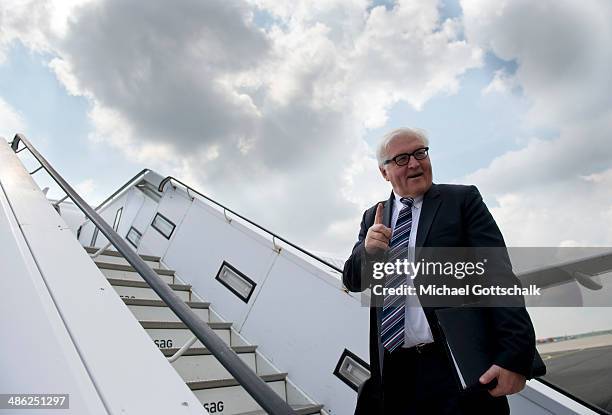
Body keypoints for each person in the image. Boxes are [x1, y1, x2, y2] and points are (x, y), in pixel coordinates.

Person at [342, 128, 536, 415]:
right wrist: (367, 252)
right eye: (402, 158)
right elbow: (353, 281)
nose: (415, 163)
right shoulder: (373, 216)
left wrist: (515, 357)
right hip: (396, 375)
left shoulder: (461, 201)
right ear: (384, 172)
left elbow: (499, 277)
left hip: (455, 370)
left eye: (421, 152)